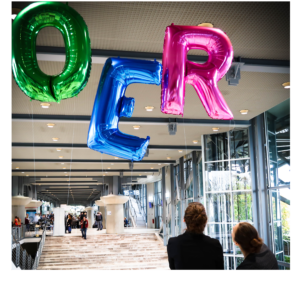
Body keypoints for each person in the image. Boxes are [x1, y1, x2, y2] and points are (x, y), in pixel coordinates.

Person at [167, 202, 224, 271]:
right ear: (205, 221)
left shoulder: (173, 243)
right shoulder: (215, 245)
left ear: (184, 220)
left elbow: (173, 268)